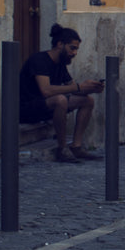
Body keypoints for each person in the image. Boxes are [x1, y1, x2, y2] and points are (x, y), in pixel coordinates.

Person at [19, 25, 104, 163]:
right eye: (72, 48)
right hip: (27, 109)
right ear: (60, 44)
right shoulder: (39, 60)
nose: (75, 53)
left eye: (76, 49)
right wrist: (78, 87)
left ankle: (76, 146)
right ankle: (62, 148)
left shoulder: (60, 64)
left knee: (88, 101)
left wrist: (90, 88)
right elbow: (46, 90)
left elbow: (73, 88)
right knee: (60, 100)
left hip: (45, 108)